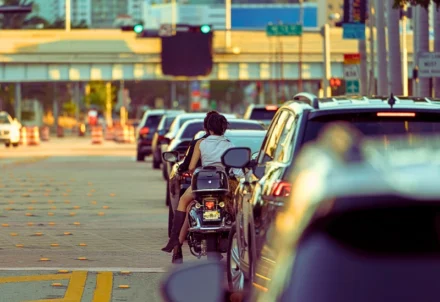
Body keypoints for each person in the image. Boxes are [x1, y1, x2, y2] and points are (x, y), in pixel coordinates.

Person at [162, 113, 240, 259]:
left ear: (208, 129)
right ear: (223, 129)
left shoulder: (201, 143)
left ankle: (175, 241)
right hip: (223, 185)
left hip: (203, 183)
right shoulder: (230, 144)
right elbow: (235, 168)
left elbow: (191, 166)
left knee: (184, 202)